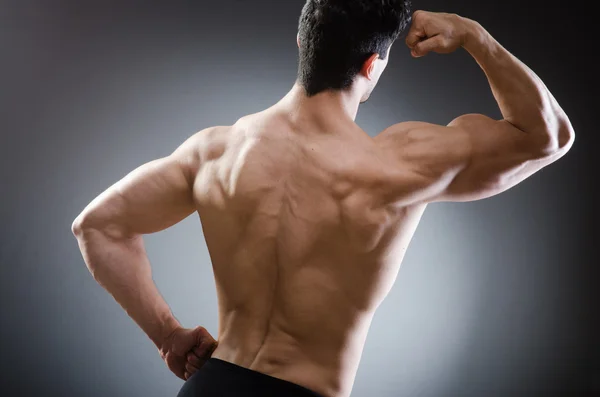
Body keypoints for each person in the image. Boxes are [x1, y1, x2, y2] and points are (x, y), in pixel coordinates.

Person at [71, 1, 575, 397]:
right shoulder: (398, 164)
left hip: (213, 388)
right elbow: (548, 135)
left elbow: (97, 226)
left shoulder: (216, 152)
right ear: (373, 64)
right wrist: (472, 35)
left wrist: (168, 336)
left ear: (301, 43)